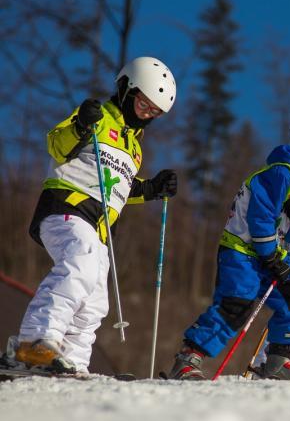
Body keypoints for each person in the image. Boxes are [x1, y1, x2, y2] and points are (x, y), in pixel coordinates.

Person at [4, 57, 179, 374]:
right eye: (143, 105)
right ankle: (35, 342)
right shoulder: (98, 118)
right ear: (126, 89)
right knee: (80, 267)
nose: (147, 115)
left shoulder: (134, 148)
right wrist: (82, 124)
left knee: (97, 301)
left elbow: (116, 188)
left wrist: (151, 189)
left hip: (98, 228)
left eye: (155, 112)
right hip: (66, 208)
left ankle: (71, 361)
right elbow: (56, 145)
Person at [167, 133, 290, 381]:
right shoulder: (283, 173)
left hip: (272, 254)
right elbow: (260, 216)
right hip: (242, 249)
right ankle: (189, 358)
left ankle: (280, 360)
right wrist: (272, 255)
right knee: (237, 304)